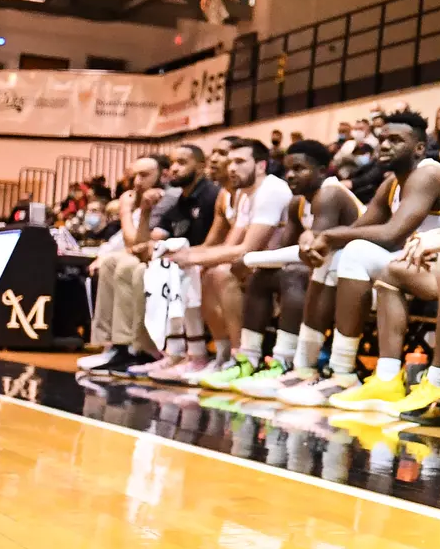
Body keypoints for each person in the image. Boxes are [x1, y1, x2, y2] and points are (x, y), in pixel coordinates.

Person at [275, 112, 440, 413]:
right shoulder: (391, 184)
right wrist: (315, 238)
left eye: (395, 140)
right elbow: (356, 231)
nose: (384, 145)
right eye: (382, 139)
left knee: (356, 251)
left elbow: (392, 233)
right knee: (347, 253)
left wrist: (328, 235)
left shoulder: (428, 174)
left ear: (420, 148)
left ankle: (351, 372)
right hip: (424, 267)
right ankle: (338, 371)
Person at [231, 139, 363, 399]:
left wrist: (248, 259)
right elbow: (291, 252)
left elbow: (311, 252)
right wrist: (255, 264)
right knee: (264, 277)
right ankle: (249, 359)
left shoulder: (330, 193)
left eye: (300, 169)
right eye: (288, 169)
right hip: (331, 274)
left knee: (295, 274)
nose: (290, 175)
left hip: (359, 277)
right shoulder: (297, 203)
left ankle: (287, 362)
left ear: (323, 171)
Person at [169, 140, 294, 388]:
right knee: (205, 272)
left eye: (240, 162)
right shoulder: (243, 196)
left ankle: (244, 358)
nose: (232, 167)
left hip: (283, 265)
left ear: (260, 166)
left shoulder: (271, 189)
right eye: (231, 162)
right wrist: (191, 257)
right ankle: (223, 356)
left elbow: (246, 249)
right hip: (259, 264)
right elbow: (229, 246)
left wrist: (192, 256)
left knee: (222, 273)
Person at [124, 145, 224, 382]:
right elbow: (143, 247)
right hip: (188, 263)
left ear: (201, 166)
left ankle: (196, 355)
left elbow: (213, 244)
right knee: (160, 267)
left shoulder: (212, 195)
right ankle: (175, 353)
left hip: (207, 262)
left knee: (176, 270)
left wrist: (183, 256)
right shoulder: (179, 202)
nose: (175, 168)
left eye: (182, 162)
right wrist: (146, 212)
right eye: (173, 163)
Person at [79, 155, 172, 375]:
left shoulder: (163, 199)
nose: (137, 181)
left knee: (127, 267)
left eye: (144, 175)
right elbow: (127, 243)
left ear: (163, 175)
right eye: (134, 176)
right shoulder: (141, 204)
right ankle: (113, 345)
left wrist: (124, 211)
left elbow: (136, 242)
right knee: (111, 261)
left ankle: (135, 347)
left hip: (164, 260)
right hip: (145, 256)